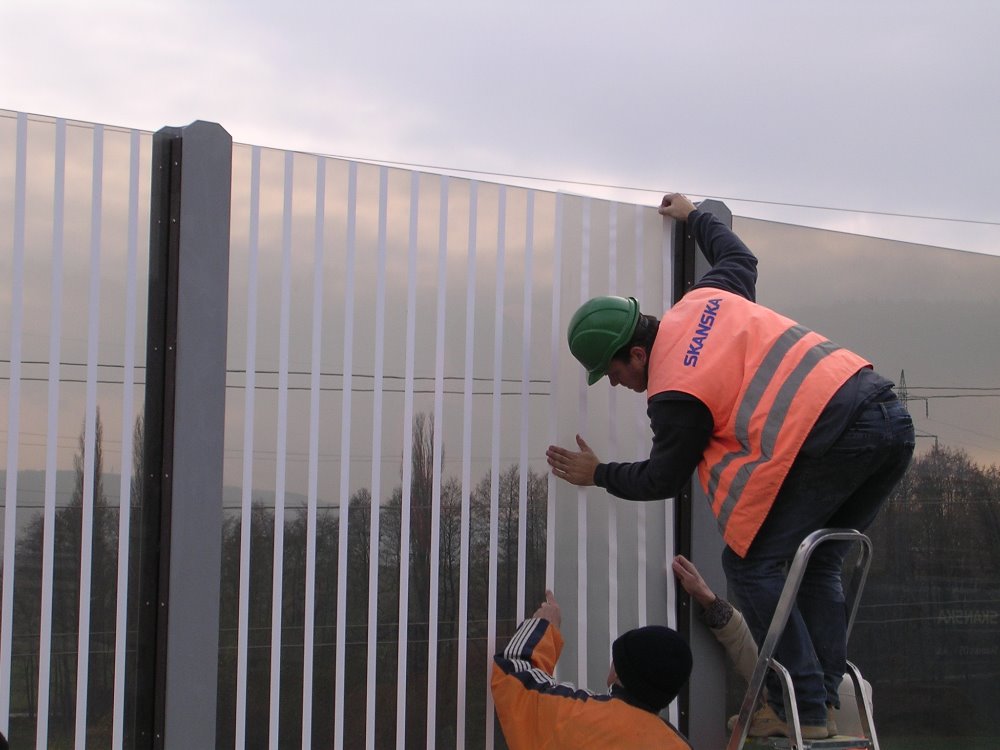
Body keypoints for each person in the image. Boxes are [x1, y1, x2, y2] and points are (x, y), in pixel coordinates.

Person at [546, 193, 914, 740]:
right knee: (818, 562)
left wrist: (597, 473)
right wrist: (695, 216)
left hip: (840, 434)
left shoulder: (674, 390)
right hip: (886, 417)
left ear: (637, 354)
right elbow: (739, 256)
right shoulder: (704, 301)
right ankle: (823, 698)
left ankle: (805, 706)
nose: (618, 384)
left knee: (751, 564)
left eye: (614, 372)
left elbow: (662, 478)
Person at [672, 554, 873, 739]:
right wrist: (710, 601)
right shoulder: (843, 694)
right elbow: (753, 652)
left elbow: (750, 650)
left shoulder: (802, 692)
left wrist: (710, 601)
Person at [491, 590, 693, 749]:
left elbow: (512, 672)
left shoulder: (575, 718)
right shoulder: (678, 745)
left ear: (616, 672)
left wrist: (543, 626)